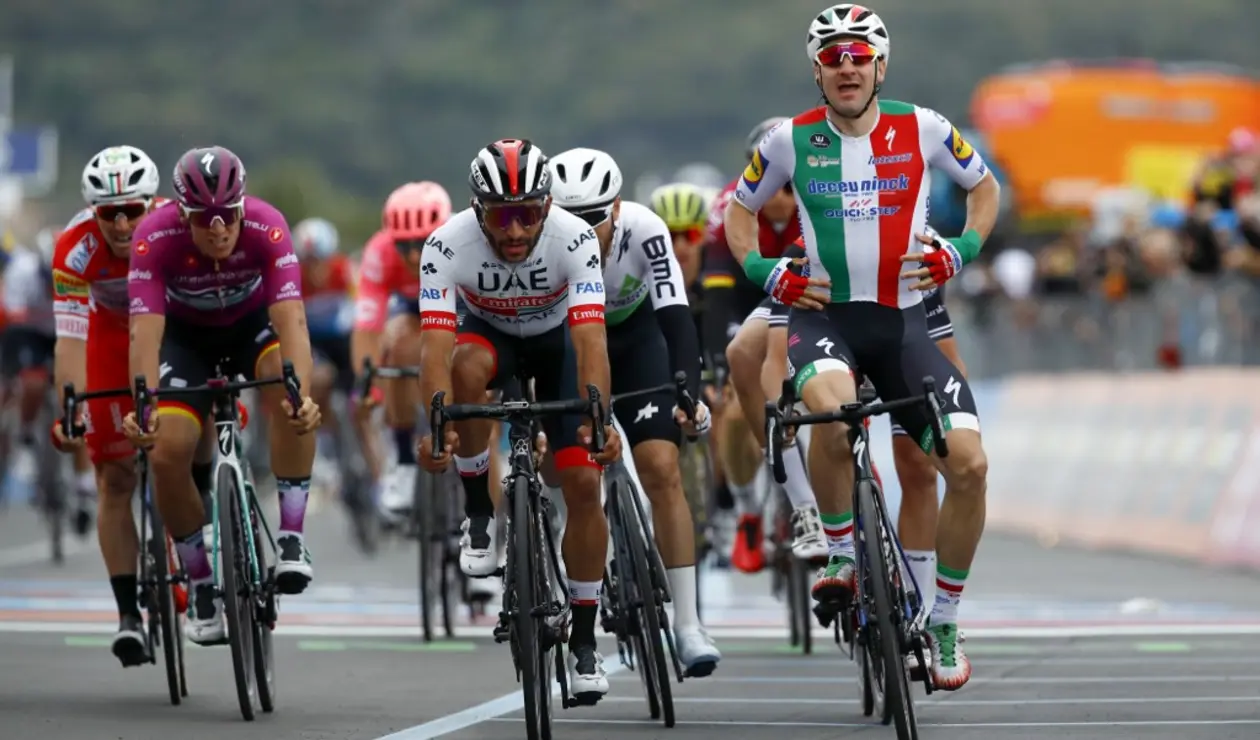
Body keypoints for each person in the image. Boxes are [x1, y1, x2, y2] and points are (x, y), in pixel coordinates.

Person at [727, 4, 1000, 691]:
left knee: (966, 465)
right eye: (831, 57)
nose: (845, 67)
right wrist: (764, 270)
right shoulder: (790, 140)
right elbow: (739, 209)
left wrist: (962, 250)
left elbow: (985, 187)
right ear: (816, 70)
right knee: (831, 408)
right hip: (828, 318)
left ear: (880, 64)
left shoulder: (925, 126)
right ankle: (842, 551)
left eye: (857, 55)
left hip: (907, 322)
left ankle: (943, 619)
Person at [416, 139, 622, 704]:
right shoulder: (445, 244)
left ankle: (584, 642)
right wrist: (438, 429)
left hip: (558, 347)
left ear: (548, 207)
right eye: (501, 217)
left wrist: (597, 419)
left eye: (528, 215)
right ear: (477, 209)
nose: (514, 232)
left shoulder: (574, 238)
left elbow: (589, 341)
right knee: (464, 366)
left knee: (582, 485)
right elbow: (434, 348)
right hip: (492, 340)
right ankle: (479, 511)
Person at [123, 145, 322, 645]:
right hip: (185, 342)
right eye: (203, 218)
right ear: (180, 213)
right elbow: (144, 335)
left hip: (251, 329)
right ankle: (201, 582)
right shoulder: (154, 236)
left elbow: (292, 320)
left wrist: (303, 392)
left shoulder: (267, 226)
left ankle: (293, 537)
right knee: (167, 451)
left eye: (227, 215)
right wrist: (142, 407)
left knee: (288, 387)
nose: (218, 228)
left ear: (242, 205)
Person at [550, 147, 721, 676]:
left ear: (618, 209)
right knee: (573, 480)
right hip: (571, 346)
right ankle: (580, 578)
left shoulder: (646, 230)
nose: (581, 231)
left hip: (636, 339)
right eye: (568, 220)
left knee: (662, 470)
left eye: (593, 219)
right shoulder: (540, 246)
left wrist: (688, 393)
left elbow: (676, 319)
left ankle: (688, 624)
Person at [49, 145, 176, 665]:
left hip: (169, 324)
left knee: (179, 443)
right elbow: (70, 339)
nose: (123, 225)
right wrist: (70, 411)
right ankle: (129, 616)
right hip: (105, 332)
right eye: (109, 214)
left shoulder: (173, 228)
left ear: (152, 205)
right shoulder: (73, 249)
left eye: (132, 211)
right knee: (114, 478)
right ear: (92, 213)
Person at [703, 119, 825, 570]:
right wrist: (717, 364)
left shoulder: (818, 195)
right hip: (745, 295)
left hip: (810, 290)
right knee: (734, 405)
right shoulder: (730, 206)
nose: (781, 195)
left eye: (790, 183)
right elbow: (716, 295)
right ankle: (748, 511)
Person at [350, 182, 452, 523]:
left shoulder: (463, 243)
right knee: (396, 347)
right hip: (413, 311)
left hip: (461, 305)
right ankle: (404, 462)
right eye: (404, 245)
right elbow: (367, 329)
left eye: (423, 243)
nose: (413, 255)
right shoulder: (379, 252)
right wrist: (371, 387)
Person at [292, 217, 355, 495]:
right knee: (318, 382)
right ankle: (327, 450)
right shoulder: (296, 278)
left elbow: (362, 304)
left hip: (344, 340)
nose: (315, 269)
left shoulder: (343, 270)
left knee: (362, 394)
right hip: (316, 342)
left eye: (320, 261)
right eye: (309, 262)